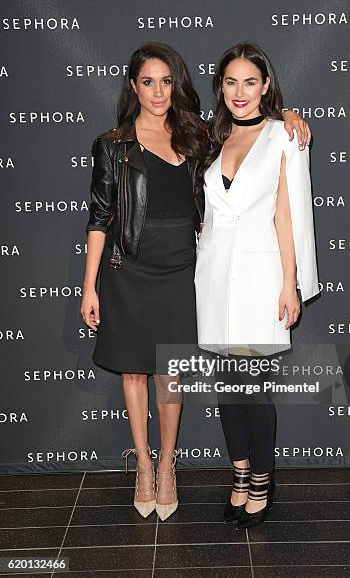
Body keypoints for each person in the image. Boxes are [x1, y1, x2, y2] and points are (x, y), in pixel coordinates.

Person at [81, 41, 310, 522]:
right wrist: (89, 285)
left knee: (186, 375)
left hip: (193, 273)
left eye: (167, 81)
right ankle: (146, 464)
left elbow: (265, 159)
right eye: (148, 81)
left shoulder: (195, 136)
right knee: (147, 373)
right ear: (133, 86)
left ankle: (179, 468)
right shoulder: (125, 144)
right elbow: (99, 217)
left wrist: (289, 115)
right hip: (151, 273)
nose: (158, 91)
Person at [194, 42, 320, 529]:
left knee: (253, 390)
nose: (240, 92)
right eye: (231, 82)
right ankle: (239, 476)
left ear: (266, 86)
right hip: (212, 278)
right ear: (220, 87)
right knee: (227, 388)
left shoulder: (283, 136)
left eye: (250, 81)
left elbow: (288, 215)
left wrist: (290, 284)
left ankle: (263, 481)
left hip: (260, 278)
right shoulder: (208, 137)